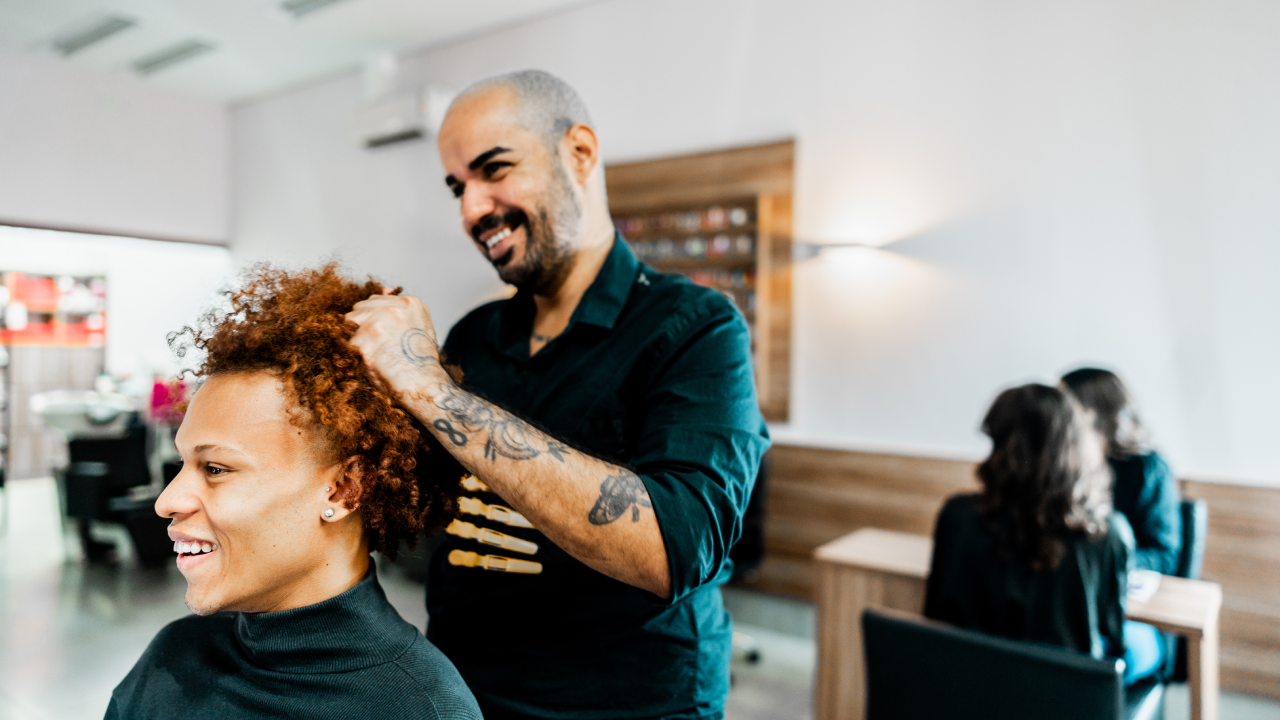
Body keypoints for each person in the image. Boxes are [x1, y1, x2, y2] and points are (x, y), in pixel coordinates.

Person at [345, 70, 769, 719]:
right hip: (463, 693)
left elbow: (675, 548)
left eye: (494, 170)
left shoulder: (696, 328)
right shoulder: (476, 335)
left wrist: (429, 388)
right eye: (458, 187)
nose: (471, 210)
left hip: (627, 707)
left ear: (579, 152)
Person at [106, 265, 482, 720]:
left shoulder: (424, 709)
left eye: (216, 468)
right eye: (183, 463)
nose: (166, 502)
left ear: (342, 491)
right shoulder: (171, 658)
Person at [924, 384, 1164, 686]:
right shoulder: (1107, 533)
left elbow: (934, 616)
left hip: (970, 684)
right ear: (1077, 444)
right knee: (1149, 645)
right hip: (1067, 695)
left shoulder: (957, 515)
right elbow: (1111, 638)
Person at [1061, 367, 1182, 575]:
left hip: (1118, 582)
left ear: (1094, 412)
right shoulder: (1065, 464)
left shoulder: (1149, 469)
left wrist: (1103, 560)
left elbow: (1164, 557)